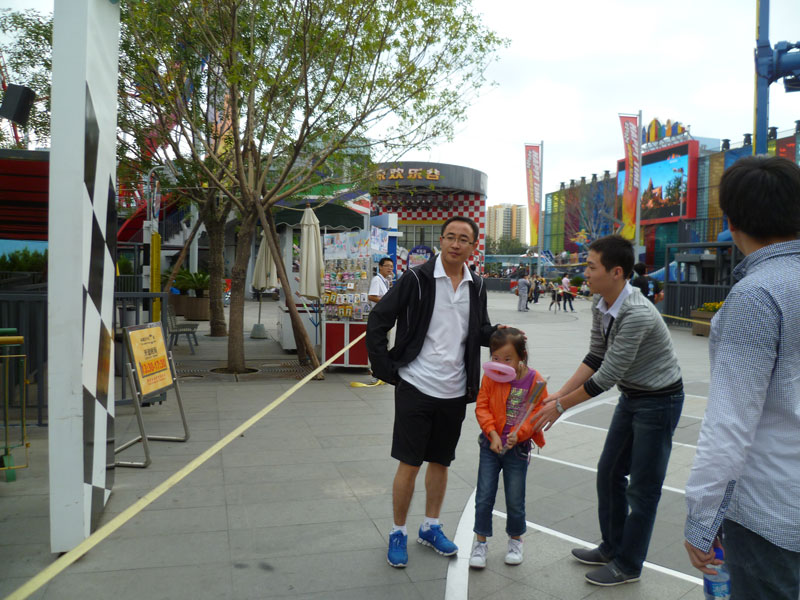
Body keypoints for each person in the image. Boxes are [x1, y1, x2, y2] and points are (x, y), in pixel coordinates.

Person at [530, 234, 683, 586]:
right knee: (609, 472)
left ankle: (628, 565)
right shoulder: (601, 304)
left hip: (659, 401)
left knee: (643, 488)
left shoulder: (637, 313)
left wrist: (560, 407)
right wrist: (558, 395)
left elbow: (606, 377)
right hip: (632, 396)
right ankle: (611, 548)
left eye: (590, 266)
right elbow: (595, 357)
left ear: (616, 272)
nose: (585, 273)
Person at [683, 156, 800, 599]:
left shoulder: (757, 295)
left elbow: (729, 423)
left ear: (730, 222)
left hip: (772, 513)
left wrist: (702, 518)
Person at [366, 216, 501, 569]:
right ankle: (398, 531)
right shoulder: (417, 279)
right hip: (416, 384)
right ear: (441, 240)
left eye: (463, 239)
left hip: (455, 389)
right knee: (409, 463)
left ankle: (430, 526)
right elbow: (379, 318)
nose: (456, 244)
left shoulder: (477, 285)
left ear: (473, 247)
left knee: (441, 462)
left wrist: (502, 337)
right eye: (450, 237)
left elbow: (479, 329)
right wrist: (384, 368)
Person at [469, 328, 547, 569]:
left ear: (521, 356)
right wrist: (492, 433)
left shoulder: (535, 380)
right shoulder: (490, 377)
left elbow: (537, 412)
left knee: (515, 498)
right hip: (490, 446)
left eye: (507, 359)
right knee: (484, 496)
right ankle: (480, 543)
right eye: (495, 358)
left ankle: (515, 541)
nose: (500, 364)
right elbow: (482, 406)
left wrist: (520, 435)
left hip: (518, 449)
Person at [366, 257, 395, 384]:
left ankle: (382, 373)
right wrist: (386, 302)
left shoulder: (386, 281)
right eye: (387, 266)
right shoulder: (377, 280)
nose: (390, 268)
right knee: (377, 347)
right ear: (380, 267)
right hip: (377, 316)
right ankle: (376, 374)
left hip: (384, 317)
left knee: (384, 345)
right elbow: (371, 296)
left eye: (391, 266)